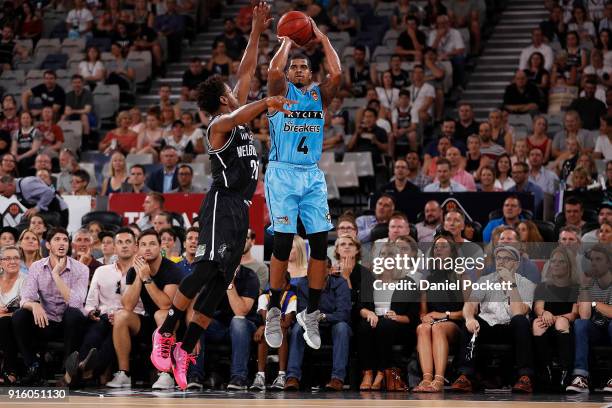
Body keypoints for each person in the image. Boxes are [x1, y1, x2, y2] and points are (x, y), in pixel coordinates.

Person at [150, 4, 291, 390]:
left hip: (242, 208)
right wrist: (266, 103)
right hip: (221, 202)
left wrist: (257, 32)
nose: (235, 89)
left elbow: (246, 70)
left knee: (218, 282)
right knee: (205, 270)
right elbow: (240, 113)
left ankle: (186, 346)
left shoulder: (237, 110)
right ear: (224, 99)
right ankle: (166, 333)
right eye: (231, 92)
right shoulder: (219, 124)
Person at [263, 16, 342, 353]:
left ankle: (311, 312)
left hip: (311, 174)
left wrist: (321, 37)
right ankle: (274, 308)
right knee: (282, 243)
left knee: (321, 243)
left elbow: (337, 74)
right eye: (293, 67)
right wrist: (287, 41)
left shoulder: (319, 97)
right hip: (281, 173)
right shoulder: (280, 93)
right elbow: (271, 72)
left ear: (310, 73)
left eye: (303, 68)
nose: (297, 71)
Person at [451, 245, 536, 393]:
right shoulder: (484, 280)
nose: (501, 262)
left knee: (521, 321)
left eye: (506, 259)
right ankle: (465, 376)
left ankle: (525, 377)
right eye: (498, 258)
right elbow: (470, 305)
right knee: (470, 323)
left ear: (516, 264)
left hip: (511, 328)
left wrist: (511, 282)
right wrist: (470, 318)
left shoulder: (527, 284)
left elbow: (518, 312)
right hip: (488, 326)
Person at [63, 228, 140, 387]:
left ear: (135, 247)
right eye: (120, 242)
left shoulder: (142, 271)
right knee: (94, 333)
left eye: (128, 242)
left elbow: (143, 305)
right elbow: (91, 301)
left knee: (112, 337)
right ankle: (78, 368)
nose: (124, 246)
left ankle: (83, 373)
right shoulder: (101, 271)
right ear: (114, 247)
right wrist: (91, 312)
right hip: (103, 316)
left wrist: (123, 315)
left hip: (130, 319)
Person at [106, 229, 183, 389]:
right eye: (143, 245)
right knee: (121, 316)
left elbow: (166, 305)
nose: (147, 248)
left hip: (174, 322)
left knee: (161, 315)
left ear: (160, 246)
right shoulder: (135, 270)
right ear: (137, 248)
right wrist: (139, 278)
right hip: (150, 321)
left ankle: (166, 373)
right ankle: (124, 374)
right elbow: (128, 305)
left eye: (152, 244)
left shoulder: (172, 269)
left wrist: (147, 278)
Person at [13, 228, 88, 385]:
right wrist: (34, 305)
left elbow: (76, 303)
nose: (62, 243)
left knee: (73, 314)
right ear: (48, 244)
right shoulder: (37, 267)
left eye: (65, 240)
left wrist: (56, 275)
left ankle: (69, 371)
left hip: (69, 324)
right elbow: (25, 298)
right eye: (57, 239)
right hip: (45, 322)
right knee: (20, 315)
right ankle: (33, 366)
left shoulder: (81, 269)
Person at [284, 257, 352, 391]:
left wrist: (323, 316)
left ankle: (337, 378)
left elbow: (343, 314)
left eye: (320, 267)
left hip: (333, 324)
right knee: (298, 328)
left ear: (329, 269)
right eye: (311, 267)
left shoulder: (340, 283)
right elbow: (302, 312)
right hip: (311, 324)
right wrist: (314, 318)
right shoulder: (303, 284)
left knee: (342, 328)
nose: (315, 271)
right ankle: (292, 377)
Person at [413, 233, 465, 392]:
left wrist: (444, 315)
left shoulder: (461, 276)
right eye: (436, 247)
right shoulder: (426, 278)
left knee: (438, 328)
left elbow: (468, 312)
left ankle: (439, 379)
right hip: (434, 322)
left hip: (455, 323)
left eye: (443, 247)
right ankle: (427, 379)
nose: (438, 250)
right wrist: (425, 317)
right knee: (422, 328)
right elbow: (422, 313)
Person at [566, 244, 612, 393]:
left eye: (598, 259)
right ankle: (581, 377)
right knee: (580, 323)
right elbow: (585, 315)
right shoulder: (589, 282)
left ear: (608, 263)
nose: (593, 263)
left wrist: (594, 303)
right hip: (597, 329)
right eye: (592, 260)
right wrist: (585, 287)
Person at [533, 247, 579, 391]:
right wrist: (544, 312)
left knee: (561, 323)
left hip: (566, 321)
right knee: (537, 323)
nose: (556, 265)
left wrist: (559, 318)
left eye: (561, 262)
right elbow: (538, 308)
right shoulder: (542, 286)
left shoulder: (577, 287)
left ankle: (566, 372)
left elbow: (575, 313)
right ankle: (544, 372)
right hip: (548, 320)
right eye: (553, 262)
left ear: (569, 265)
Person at [250, 271, 296, 391]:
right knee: (265, 333)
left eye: (282, 282)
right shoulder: (264, 297)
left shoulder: (291, 297)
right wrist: (265, 326)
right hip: (270, 329)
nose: (277, 284)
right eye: (275, 282)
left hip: (287, 331)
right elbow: (266, 320)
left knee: (280, 329)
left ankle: (282, 375)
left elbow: (286, 323)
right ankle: (260, 376)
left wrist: (264, 326)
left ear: (287, 286)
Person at [0, 174, 69, 228]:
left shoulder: (27, 184)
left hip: (59, 212)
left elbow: (49, 192)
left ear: (10, 185)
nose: (1, 195)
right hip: (49, 213)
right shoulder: (16, 189)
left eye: (2, 191)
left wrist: (37, 208)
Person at [0, 245, 25, 385]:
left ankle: (10, 370)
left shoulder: (25, 280)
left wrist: (6, 314)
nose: (13, 261)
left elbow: (27, 307)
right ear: (1, 263)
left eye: (16, 258)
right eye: (8, 258)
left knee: (4, 323)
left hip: (16, 323)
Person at [62, 75, 94, 140]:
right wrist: (68, 113)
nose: (77, 85)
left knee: (84, 116)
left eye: (79, 82)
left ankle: (85, 142)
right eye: (74, 83)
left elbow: (87, 110)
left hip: (89, 117)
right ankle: (62, 139)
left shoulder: (88, 94)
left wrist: (73, 111)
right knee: (63, 117)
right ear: (72, 84)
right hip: (74, 116)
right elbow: (67, 111)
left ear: (83, 83)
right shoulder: (69, 95)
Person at [11, 111, 42, 176]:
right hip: (19, 154)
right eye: (23, 118)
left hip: (31, 155)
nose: (25, 120)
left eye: (27, 118)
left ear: (31, 119)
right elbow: (13, 149)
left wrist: (20, 157)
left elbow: (34, 150)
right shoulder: (16, 133)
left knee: (24, 162)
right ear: (20, 120)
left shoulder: (36, 132)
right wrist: (14, 156)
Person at [240, 228, 268, 293]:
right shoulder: (227, 265)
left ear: (252, 241)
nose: (242, 241)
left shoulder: (261, 268)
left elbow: (256, 294)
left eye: (246, 238)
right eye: (239, 237)